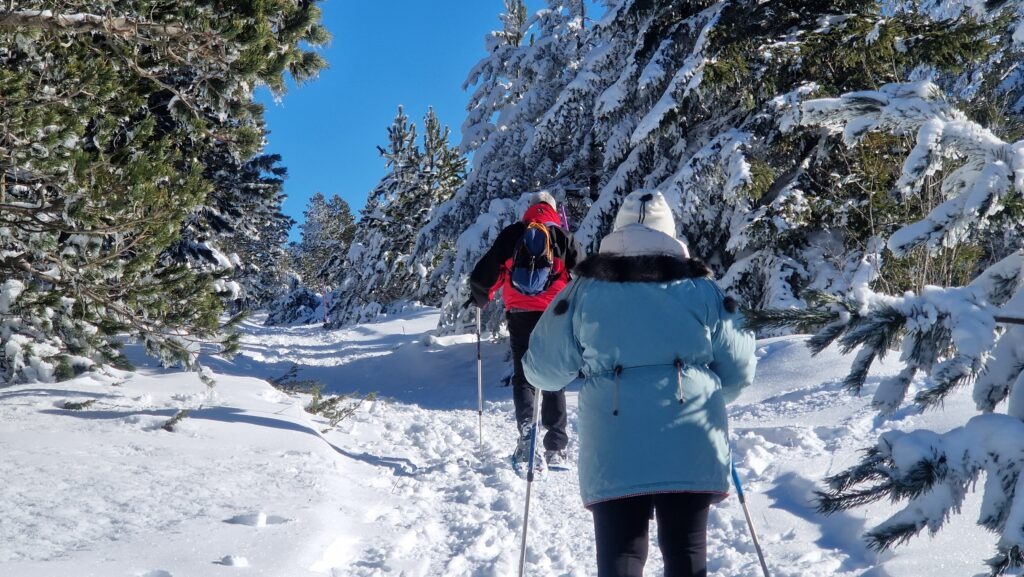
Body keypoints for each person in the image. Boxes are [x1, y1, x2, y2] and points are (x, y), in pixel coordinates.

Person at [523, 189, 756, 577]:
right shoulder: (703, 289)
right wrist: (707, 398)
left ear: (617, 233)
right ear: (671, 234)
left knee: (622, 557)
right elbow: (740, 367)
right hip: (691, 437)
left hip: (614, 444)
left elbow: (544, 370)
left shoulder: (584, 291)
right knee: (686, 553)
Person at [467, 191, 582, 470]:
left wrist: (481, 297)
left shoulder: (513, 234)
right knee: (553, 376)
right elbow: (586, 275)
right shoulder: (562, 237)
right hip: (555, 313)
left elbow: (486, 274)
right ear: (553, 210)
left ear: (529, 208)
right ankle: (556, 448)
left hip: (520, 313)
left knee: (524, 375)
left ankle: (527, 433)